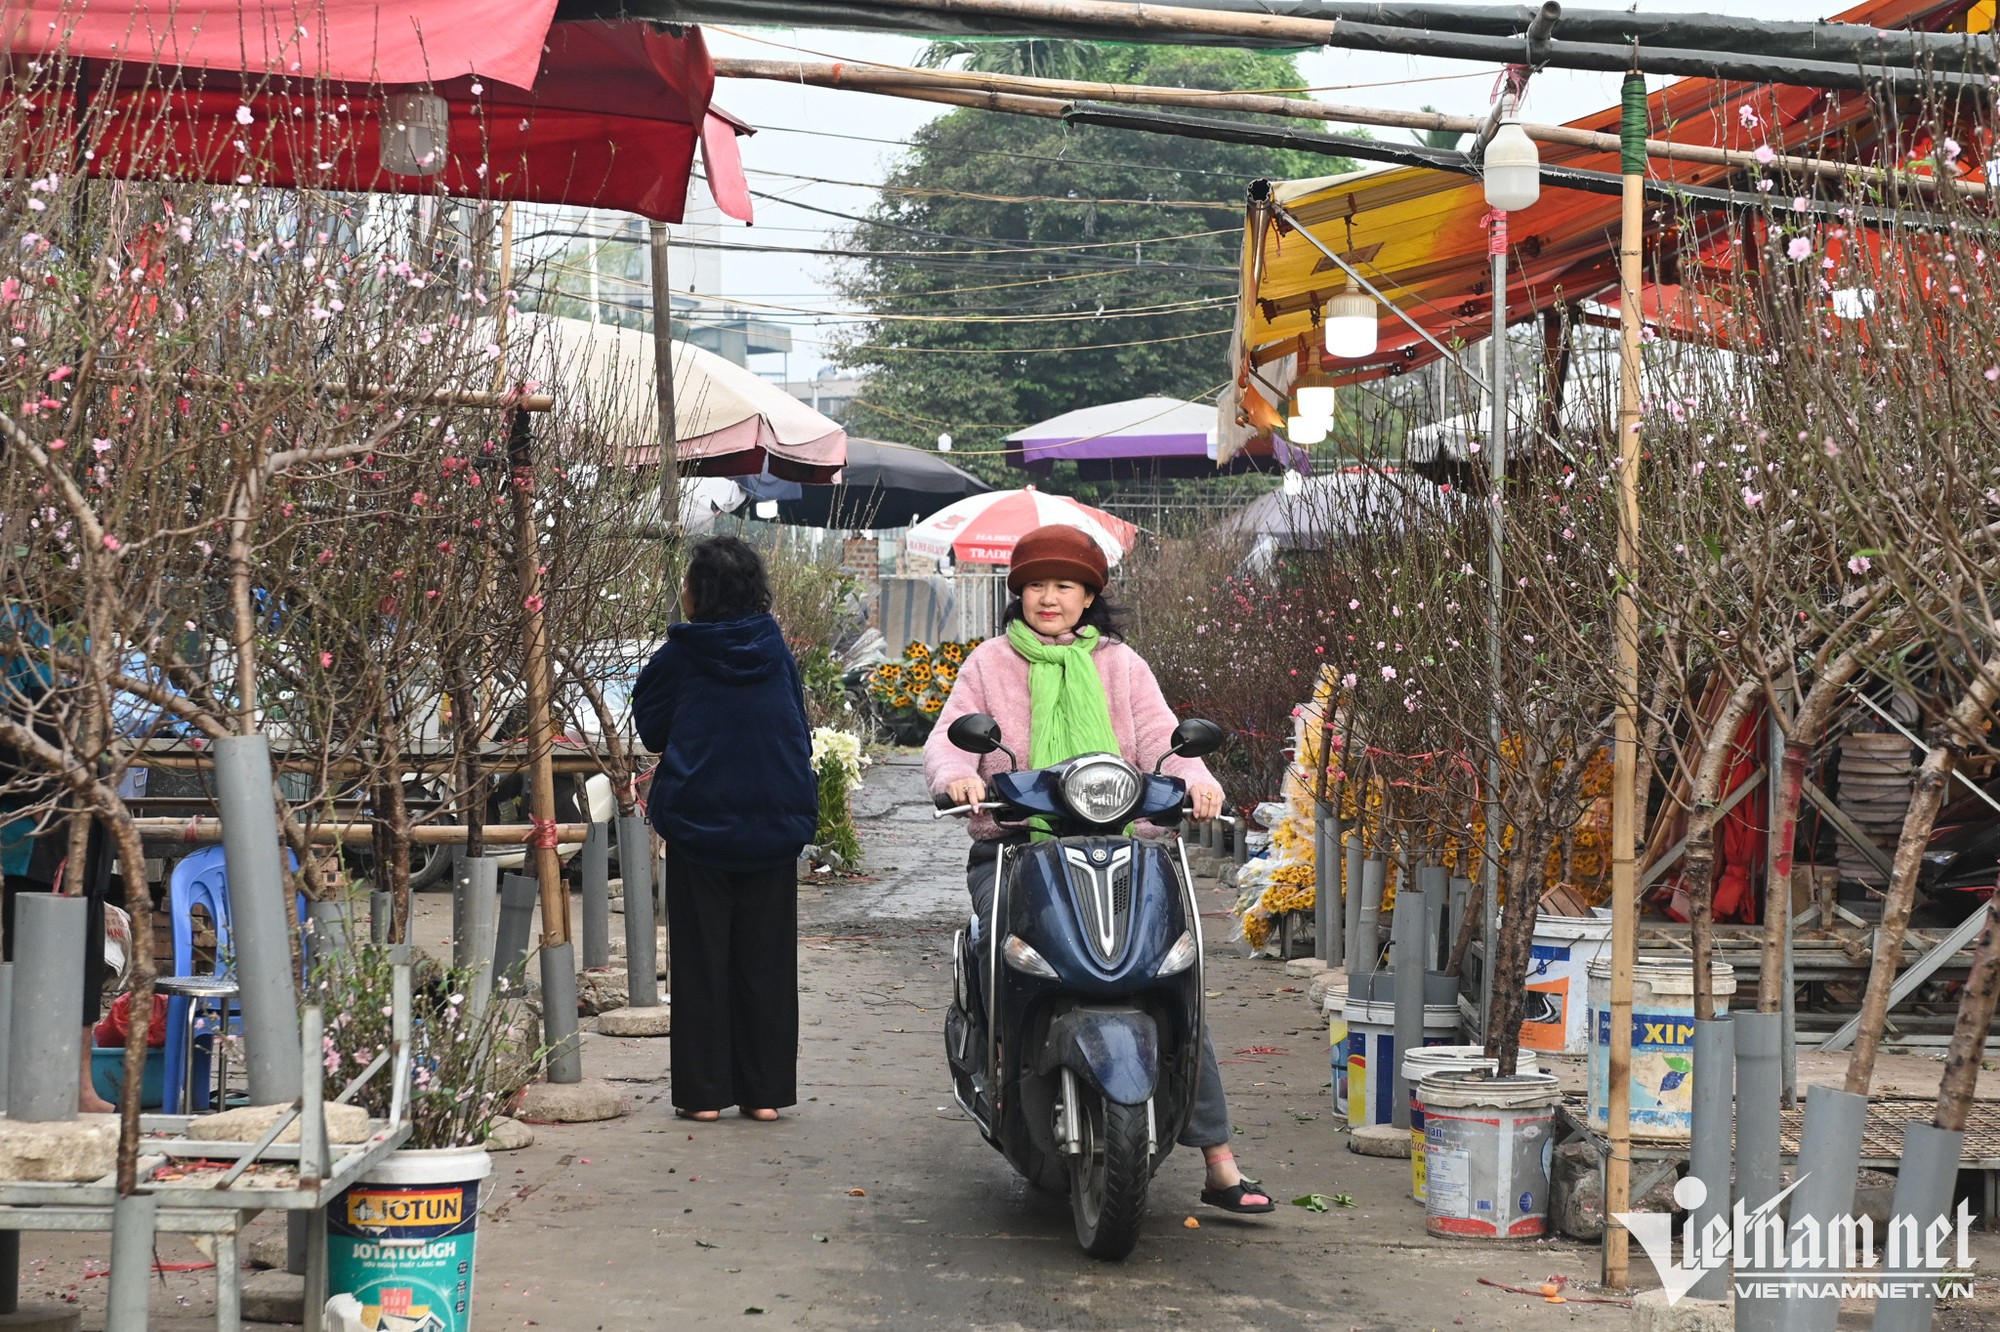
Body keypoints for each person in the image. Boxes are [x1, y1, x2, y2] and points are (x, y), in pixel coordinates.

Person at [922, 524, 1275, 1215]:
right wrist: (958, 778)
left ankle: (1219, 1160)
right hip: (1021, 848)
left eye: (1064, 585)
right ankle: (998, 1076)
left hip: (1127, 850)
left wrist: (1198, 783)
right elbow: (949, 739)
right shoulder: (989, 664)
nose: (1048, 597)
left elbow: (1162, 741)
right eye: (1034, 585)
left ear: (1089, 597)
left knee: (1174, 977)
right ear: (1015, 592)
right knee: (1008, 964)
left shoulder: (1120, 664)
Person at [633, 537, 817, 1123]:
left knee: (701, 958)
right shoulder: (777, 652)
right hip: (772, 821)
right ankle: (764, 1095)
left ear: (698, 592)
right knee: (766, 960)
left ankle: (704, 1096)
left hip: (700, 824)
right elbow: (798, 724)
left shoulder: (680, 656)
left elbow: (654, 731)